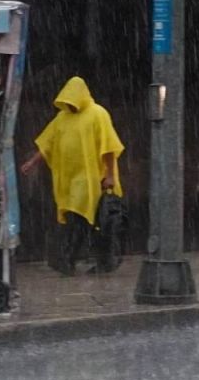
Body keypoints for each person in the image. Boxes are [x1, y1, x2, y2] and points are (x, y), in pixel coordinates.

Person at [21, 76, 125, 276]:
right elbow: (48, 142)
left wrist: (110, 175)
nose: (70, 105)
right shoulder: (62, 117)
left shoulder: (98, 114)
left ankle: (69, 259)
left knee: (92, 221)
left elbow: (109, 146)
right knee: (84, 221)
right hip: (69, 180)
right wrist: (32, 162)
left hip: (93, 178)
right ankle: (88, 260)